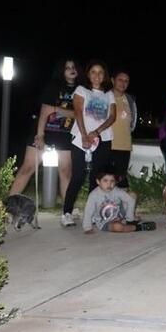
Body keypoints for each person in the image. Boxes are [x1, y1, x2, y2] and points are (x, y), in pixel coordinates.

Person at [9, 59, 79, 199]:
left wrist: (56, 109)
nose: (71, 69)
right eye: (67, 67)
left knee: (66, 172)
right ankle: (9, 205)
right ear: (61, 71)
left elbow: (78, 114)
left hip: (65, 135)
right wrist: (40, 135)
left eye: (73, 67)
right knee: (28, 168)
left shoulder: (81, 90)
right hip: (44, 130)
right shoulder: (53, 86)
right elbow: (44, 111)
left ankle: (67, 210)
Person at [62, 60, 116, 227]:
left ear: (104, 76)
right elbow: (78, 111)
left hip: (103, 139)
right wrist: (85, 134)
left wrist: (96, 132)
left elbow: (112, 117)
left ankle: (92, 214)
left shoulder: (109, 94)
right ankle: (67, 212)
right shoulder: (81, 90)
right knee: (78, 176)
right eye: (93, 72)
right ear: (88, 74)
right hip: (81, 139)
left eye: (100, 72)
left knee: (97, 178)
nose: (97, 75)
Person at [82, 167, 155, 234]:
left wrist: (130, 219)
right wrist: (87, 227)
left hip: (119, 215)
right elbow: (88, 211)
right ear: (98, 181)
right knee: (118, 227)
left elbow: (130, 200)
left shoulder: (116, 190)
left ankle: (130, 221)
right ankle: (139, 227)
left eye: (112, 181)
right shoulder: (94, 195)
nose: (109, 184)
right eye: (105, 181)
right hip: (105, 222)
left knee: (132, 195)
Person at [109, 69, 137, 189]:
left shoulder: (130, 100)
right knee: (107, 179)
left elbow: (133, 123)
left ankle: (120, 206)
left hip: (124, 146)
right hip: (107, 145)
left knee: (121, 179)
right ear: (112, 80)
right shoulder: (105, 97)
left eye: (126, 81)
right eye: (120, 79)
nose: (123, 83)